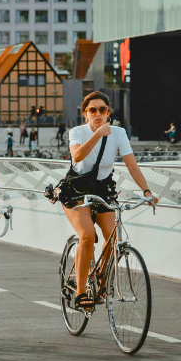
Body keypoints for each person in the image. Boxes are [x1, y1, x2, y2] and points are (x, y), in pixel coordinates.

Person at [57, 91, 157, 312]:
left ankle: (101, 280)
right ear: (85, 114)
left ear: (109, 113)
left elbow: (132, 166)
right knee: (87, 235)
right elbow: (77, 156)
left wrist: (147, 192)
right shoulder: (77, 132)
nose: (98, 114)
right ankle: (81, 291)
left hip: (103, 190)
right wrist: (97, 134)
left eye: (102, 110)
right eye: (93, 110)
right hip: (76, 191)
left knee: (113, 237)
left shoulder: (119, 133)